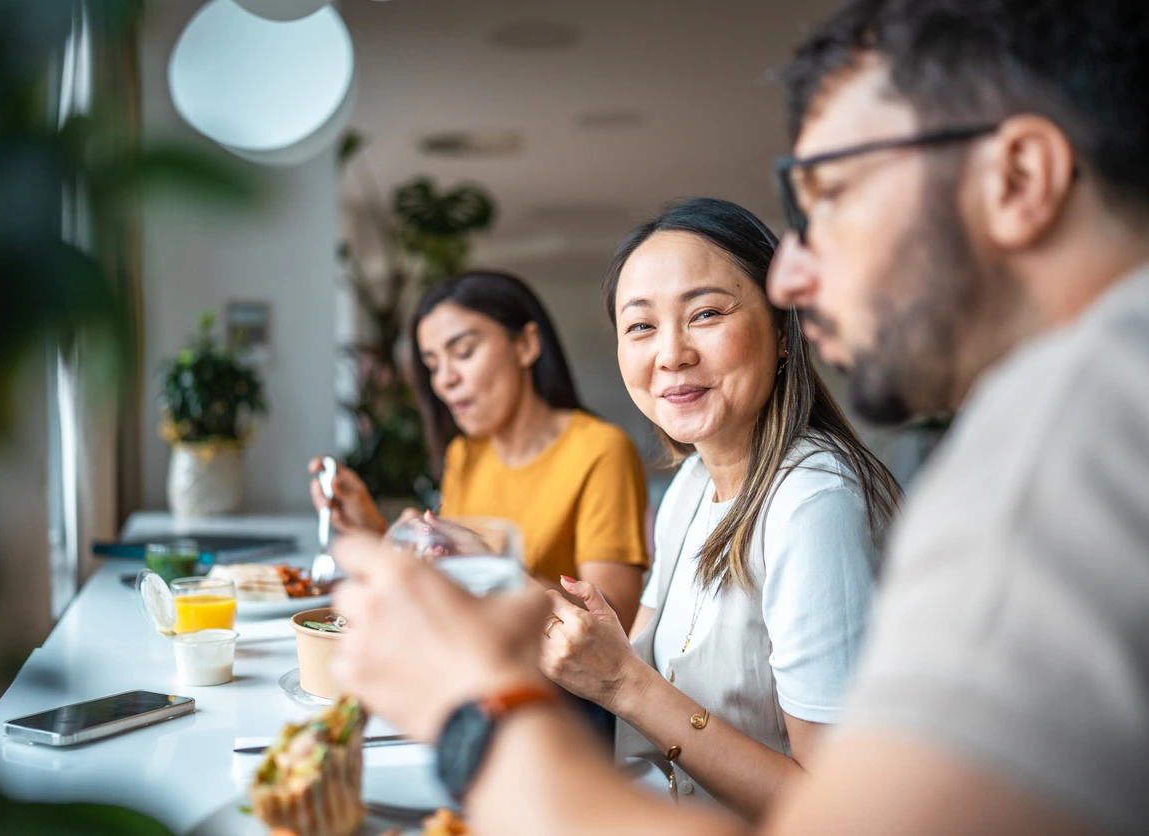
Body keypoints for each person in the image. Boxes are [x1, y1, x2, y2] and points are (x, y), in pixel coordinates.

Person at [329, 1, 1149, 834]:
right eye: (640, 325)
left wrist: (476, 714)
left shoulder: (1063, 445)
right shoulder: (693, 483)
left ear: (1018, 179)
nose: (793, 273)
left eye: (830, 193)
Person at [536, 198, 899, 818]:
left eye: (705, 314)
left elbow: (842, 810)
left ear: (784, 332)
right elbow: (646, 655)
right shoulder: (694, 483)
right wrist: (505, 589)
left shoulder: (814, 503)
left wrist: (624, 683)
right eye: (641, 326)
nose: (670, 354)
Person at [312, 270, 650, 624]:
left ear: (526, 345)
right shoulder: (464, 454)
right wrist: (376, 531)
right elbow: (455, 586)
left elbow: (615, 623)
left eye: (464, 352)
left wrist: (492, 565)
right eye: (432, 365)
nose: (444, 379)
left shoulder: (600, 450)